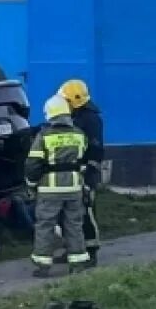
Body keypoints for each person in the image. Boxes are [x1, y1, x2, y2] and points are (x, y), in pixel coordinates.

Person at [26, 94, 91, 278]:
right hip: (74, 189)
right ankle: (78, 262)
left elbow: (33, 164)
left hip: (49, 190)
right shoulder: (79, 134)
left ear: (50, 114)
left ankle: (43, 265)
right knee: (74, 224)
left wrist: (31, 184)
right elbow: (83, 161)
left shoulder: (44, 136)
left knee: (45, 225)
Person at [59, 79, 104, 264]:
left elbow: (95, 149)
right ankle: (74, 249)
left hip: (85, 173)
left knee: (85, 212)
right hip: (70, 172)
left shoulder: (91, 120)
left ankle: (91, 251)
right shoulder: (73, 117)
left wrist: (90, 172)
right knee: (67, 213)